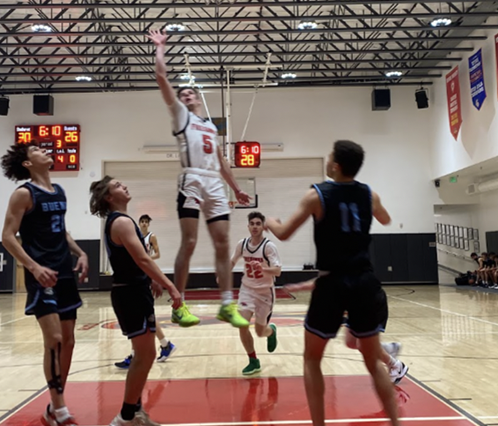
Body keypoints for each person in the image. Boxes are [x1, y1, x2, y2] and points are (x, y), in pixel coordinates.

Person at [264, 140, 399, 426]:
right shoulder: (369, 194)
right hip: (364, 280)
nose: (326, 159)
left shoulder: (317, 195)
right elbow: (386, 219)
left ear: (335, 165)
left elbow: (285, 233)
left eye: (329, 156)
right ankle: (396, 423)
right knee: (373, 361)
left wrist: (269, 222)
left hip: (332, 283)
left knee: (312, 359)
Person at [148, 29, 251, 329]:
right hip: (191, 179)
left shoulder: (209, 126)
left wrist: (237, 189)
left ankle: (226, 305)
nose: (186, 95)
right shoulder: (182, 116)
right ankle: (179, 304)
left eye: (190, 92)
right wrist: (160, 48)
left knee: (223, 243)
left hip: (214, 182)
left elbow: (221, 160)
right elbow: (161, 79)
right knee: (190, 241)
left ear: (197, 96)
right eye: (182, 94)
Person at [0, 142, 89, 426]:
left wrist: (81, 252)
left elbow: (61, 231)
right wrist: (34, 267)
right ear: (27, 163)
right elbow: (7, 236)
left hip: (64, 273)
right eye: (37, 150)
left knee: (69, 342)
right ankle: (61, 410)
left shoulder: (60, 192)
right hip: (42, 275)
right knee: (54, 340)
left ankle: (53, 406)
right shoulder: (24, 194)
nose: (44, 151)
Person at [89, 176, 182, 426]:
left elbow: (137, 260)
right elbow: (142, 259)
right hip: (129, 293)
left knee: (147, 354)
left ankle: (135, 410)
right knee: (145, 354)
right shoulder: (120, 222)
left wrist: (150, 279)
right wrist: (170, 285)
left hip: (136, 289)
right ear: (109, 197)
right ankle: (126, 416)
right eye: (118, 186)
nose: (124, 186)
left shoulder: (124, 220)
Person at [115, 214, 177, 369]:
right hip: (139, 272)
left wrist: (146, 259)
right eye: (141, 222)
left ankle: (138, 353)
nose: (143, 224)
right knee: (145, 314)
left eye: (145, 222)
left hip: (145, 272)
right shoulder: (134, 235)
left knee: (140, 314)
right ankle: (164, 344)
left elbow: (157, 253)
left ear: (148, 224)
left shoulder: (151, 237)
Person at [230, 211, 281, 375]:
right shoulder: (242, 244)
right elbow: (232, 260)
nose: (255, 226)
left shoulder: (268, 246)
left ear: (262, 227)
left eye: (258, 224)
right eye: (252, 223)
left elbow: (278, 271)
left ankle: (271, 331)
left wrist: (263, 268)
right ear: (248, 226)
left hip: (265, 293)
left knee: (260, 332)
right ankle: (253, 360)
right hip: (247, 290)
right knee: (242, 325)